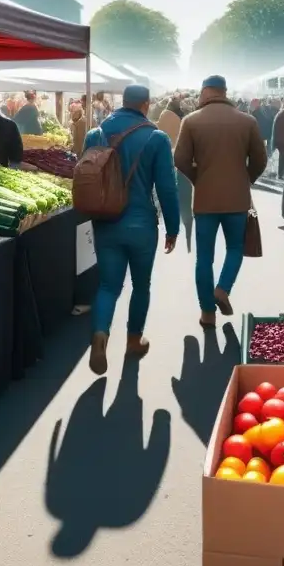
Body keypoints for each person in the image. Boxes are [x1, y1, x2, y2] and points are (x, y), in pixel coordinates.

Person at [83, 84, 180, 376]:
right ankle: (134, 340)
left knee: (108, 286)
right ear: (146, 104)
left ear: (122, 102)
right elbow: (166, 188)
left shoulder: (95, 133)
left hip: (105, 221)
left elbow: (86, 176)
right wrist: (172, 228)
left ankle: (100, 335)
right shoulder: (156, 138)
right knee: (141, 285)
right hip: (141, 225)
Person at [174, 75, 267, 327]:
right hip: (237, 199)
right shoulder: (247, 121)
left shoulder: (191, 121)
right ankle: (223, 289)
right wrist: (246, 179)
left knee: (204, 257)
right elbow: (260, 159)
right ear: (224, 92)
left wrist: (197, 178)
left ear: (205, 92)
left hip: (204, 199)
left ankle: (207, 313)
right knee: (235, 248)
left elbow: (180, 159)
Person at [157, 94, 193, 250]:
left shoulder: (164, 115)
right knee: (175, 185)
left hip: (167, 153)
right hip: (176, 153)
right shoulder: (180, 118)